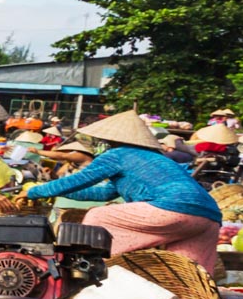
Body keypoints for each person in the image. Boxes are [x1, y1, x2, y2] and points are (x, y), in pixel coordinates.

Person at [23, 109, 224, 275]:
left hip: (172, 209)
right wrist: (55, 192)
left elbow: (79, 180)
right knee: (189, 276)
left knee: (97, 215)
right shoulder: (152, 158)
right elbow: (103, 194)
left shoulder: (117, 154)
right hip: (208, 217)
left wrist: (34, 191)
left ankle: (81, 273)